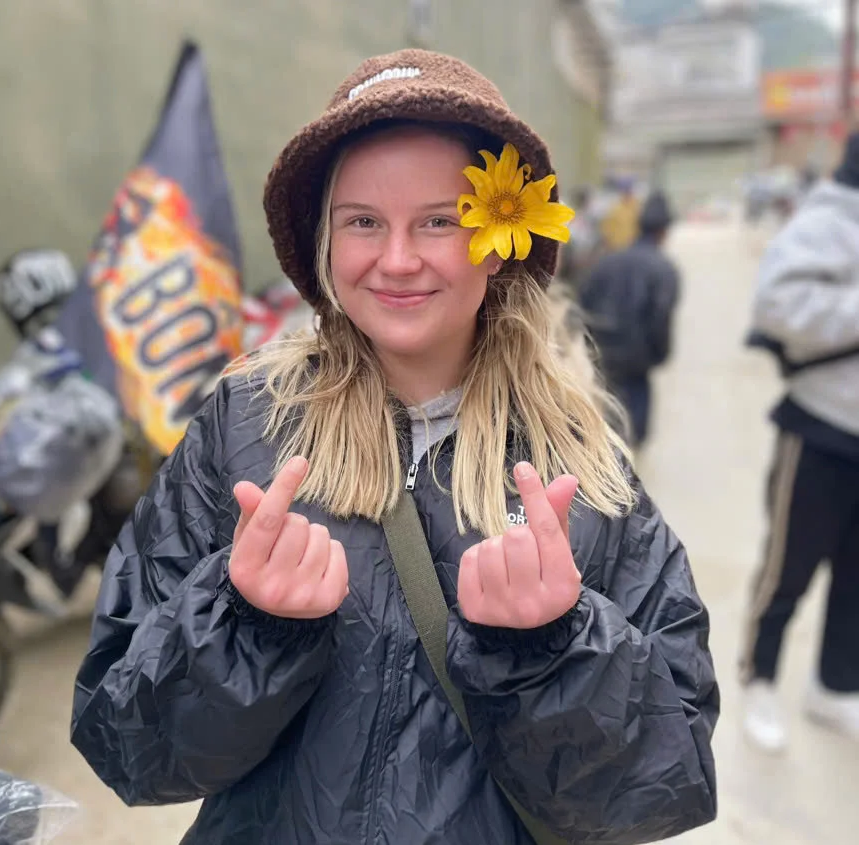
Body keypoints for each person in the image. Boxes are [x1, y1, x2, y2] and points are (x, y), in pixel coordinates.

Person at [70, 49, 718, 844]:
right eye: (363, 222)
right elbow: (125, 748)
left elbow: (665, 785)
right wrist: (244, 627)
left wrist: (553, 653)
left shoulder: (579, 465)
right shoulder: (243, 427)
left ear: (499, 239)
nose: (398, 259)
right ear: (325, 242)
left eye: (439, 220)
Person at [739, 132, 859, 753]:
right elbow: (777, 305)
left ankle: (834, 687)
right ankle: (758, 679)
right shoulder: (828, 221)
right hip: (821, 426)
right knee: (787, 569)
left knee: (856, 579)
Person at [579, 192, 680, 449]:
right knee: (636, 428)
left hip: (602, 351)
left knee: (605, 419)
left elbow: (583, 303)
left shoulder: (607, 262)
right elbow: (661, 317)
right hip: (638, 359)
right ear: (664, 231)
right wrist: (660, 354)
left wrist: (588, 345)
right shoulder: (664, 268)